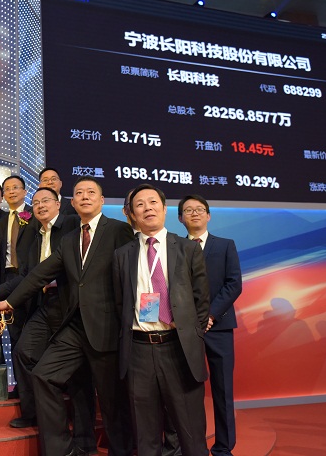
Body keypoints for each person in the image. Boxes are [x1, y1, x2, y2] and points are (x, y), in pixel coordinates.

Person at [0, 176, 134, 456]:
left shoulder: (118, 230)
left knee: (111, 401)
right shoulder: (70, 239)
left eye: (91, 192)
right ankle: (62, 450)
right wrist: (9, 300)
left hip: (107, 327)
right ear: (72, 200)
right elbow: (39, 274)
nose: (84, 196)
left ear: (101, 200)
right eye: (79, 192)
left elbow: (131, 275)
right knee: (44, 376)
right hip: (73, 326)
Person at [113, 183, 210, 456]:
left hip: (179, 348)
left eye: (153, 202)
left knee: (191, 432)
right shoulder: (122, 255)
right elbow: (120, 303)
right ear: (132, 214)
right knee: (145, 434)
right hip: (139, 351)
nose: (147, 208)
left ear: (165, 209)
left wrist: (190, 333)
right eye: (140, 204)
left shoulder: (188, 249)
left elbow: (202, 299)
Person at [3, 187, 97, 453]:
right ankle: (33, 413)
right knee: (24, 352)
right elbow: (30, 275)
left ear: (59, 204)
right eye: (35, 203)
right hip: (45, 304)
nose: (41, 206)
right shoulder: (33, 235)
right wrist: (1, 293)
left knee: (80, 376)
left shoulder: (72, 226)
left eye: (46, 201)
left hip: (72, 305)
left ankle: (84, 441)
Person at [178, 194, 242, 456]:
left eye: (199, 209)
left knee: (222, 390)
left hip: (219, 328)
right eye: (188, 210)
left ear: (208, 215)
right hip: (184, 330)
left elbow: (233, 284)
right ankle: (192, 447)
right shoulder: (174, 247)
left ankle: (224, 448)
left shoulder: (225, 245)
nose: (194, 213)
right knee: (185, 391)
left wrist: (211, 315)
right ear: (180, 218)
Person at [0, 175, 36, 395]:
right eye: (7, 188)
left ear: (24, 192)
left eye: (15, 188)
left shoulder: (34, 215)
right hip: (7, 280)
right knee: (13, 334)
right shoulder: (0, 223)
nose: (11, 191)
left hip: (32, 279)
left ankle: (35, 387)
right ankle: (21, 388)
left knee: (30, 337)